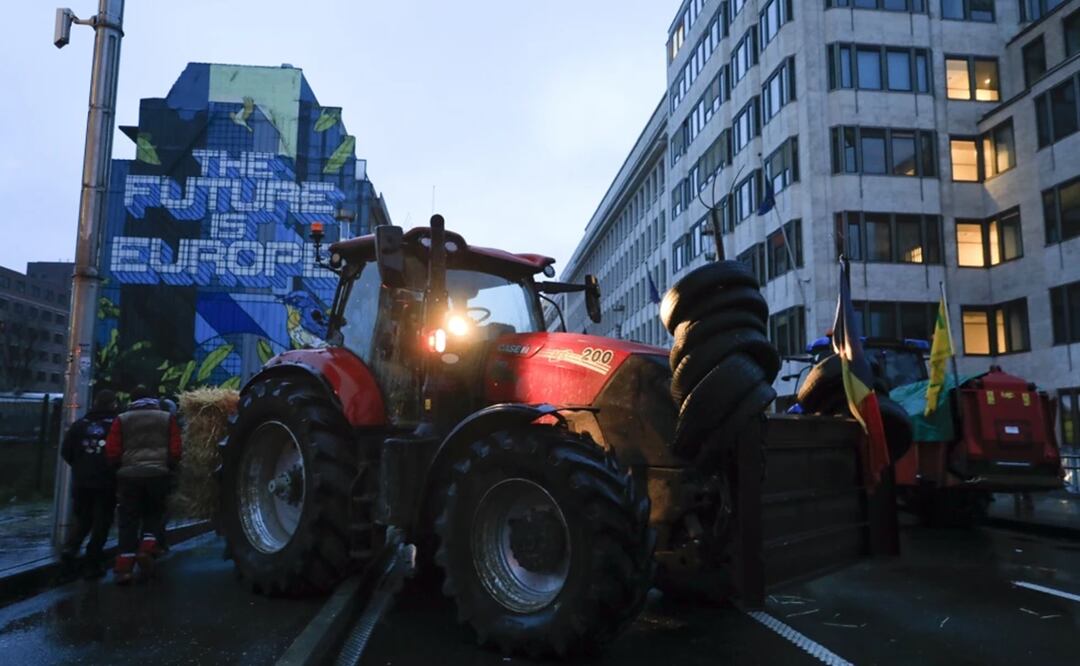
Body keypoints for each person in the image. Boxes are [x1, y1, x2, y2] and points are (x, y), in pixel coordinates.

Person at [105, 385, 182, 584]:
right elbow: (175, 448)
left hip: (128, 475)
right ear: (153, 398)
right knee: (155, 512)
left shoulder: (122, 419)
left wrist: (118, 467)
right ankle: (147, 548)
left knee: (128, 519)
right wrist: (170, 465)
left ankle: (124, 568)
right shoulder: (166, 418)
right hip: (158, 474)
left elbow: (112, 449)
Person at [59, 389, 119, 580]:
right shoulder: (116, 425)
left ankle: (71, 548)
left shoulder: (79, 425)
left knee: (84, 518)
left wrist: (80, 466)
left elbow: (66, 451)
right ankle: (92, 561)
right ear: (112, 404)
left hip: (82, 481)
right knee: (102, 521)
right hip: (106, 481)